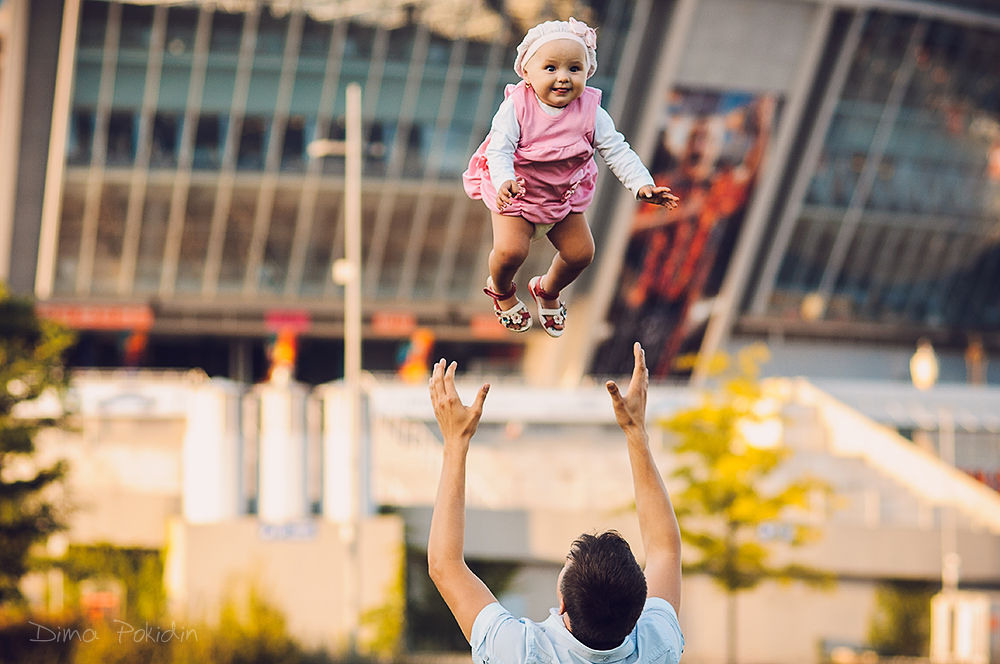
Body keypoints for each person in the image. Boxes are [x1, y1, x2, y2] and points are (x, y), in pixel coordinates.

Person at [427, 342, 684, 664]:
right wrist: (636, 433)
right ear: (640, 606)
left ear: (562, 602)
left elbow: (444, 564)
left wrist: (454, 441)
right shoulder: (656, 647)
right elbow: (665, 550)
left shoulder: (520, 651)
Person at [463, 18, 679, 337]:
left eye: (574, 69)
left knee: (581, 254)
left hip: (561, 198)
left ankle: (548, 290)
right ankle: (501, 289)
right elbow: (499, 148)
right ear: (526, 72)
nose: (563, 78)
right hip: (517, 193)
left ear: (586, 72)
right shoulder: (516, 107)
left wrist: (642, 184)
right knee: (511, 252)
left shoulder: (591, 112)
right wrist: (505, 178)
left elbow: (617, 150)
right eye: (551, 68)